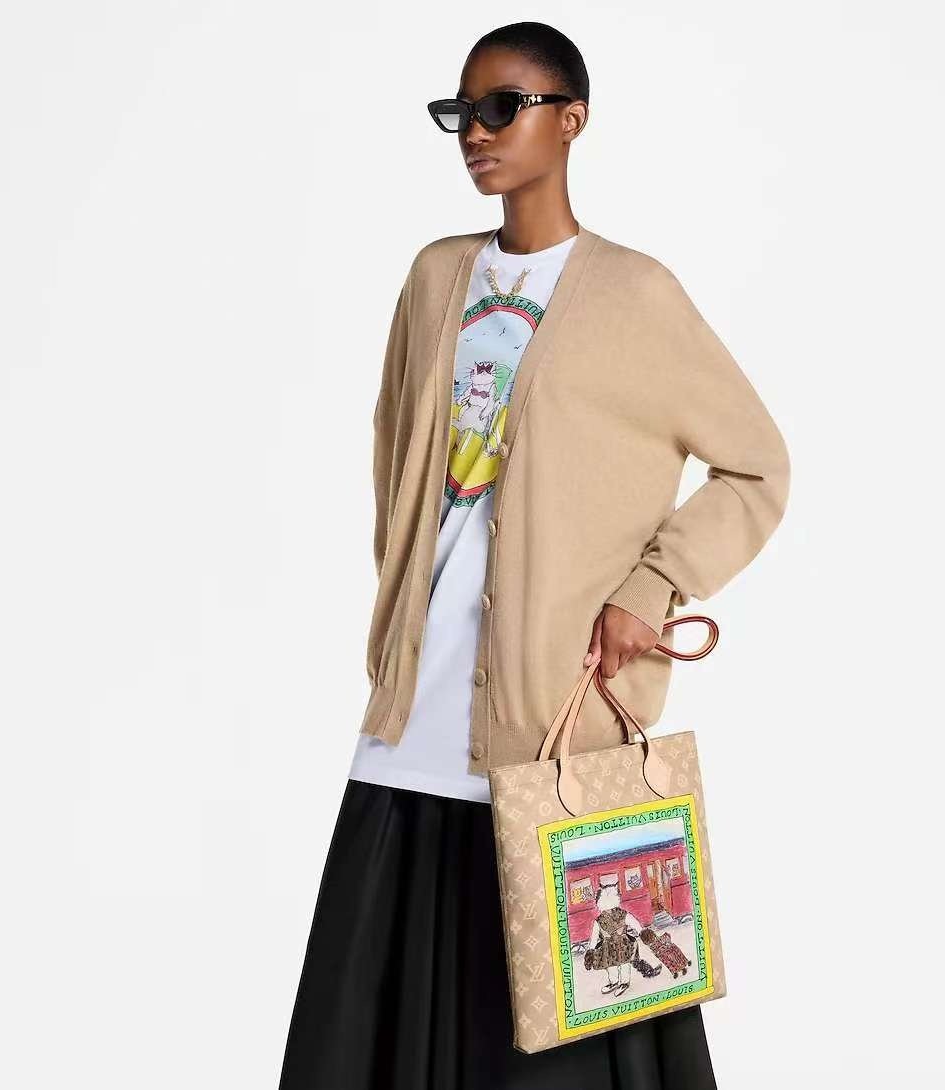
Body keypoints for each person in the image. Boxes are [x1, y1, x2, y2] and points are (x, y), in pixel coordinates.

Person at [278, 20, 790, 1090]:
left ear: (571, 119)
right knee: (364, 1030)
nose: (476, 131)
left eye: (502, 107)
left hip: (553, 712)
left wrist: (650, 587)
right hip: (413, 711)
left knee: (560, 1037)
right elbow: (395, 453)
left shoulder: (635, 295)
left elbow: (756, 466)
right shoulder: (435, 278)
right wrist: (405, 609)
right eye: (461, 112)